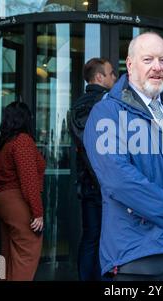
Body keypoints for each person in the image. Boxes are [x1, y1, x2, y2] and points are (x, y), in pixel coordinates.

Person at [83, 32, 163, 281]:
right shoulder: (106, 112)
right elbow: (119, 180)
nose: (157, 67)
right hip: (138, 257)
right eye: (148, 59)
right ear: (130, 65)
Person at [69, 57, 117, 281]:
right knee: (105, 238)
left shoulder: (77, 104)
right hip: (104, 185)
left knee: (90, 237)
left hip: (88, 184)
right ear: (99, 77)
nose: (114, 78)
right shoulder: (105, 103)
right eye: (110, 74)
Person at [0, 101, 46, 281]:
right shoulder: (22, 140)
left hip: (1, 201)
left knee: (7, 255)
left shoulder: (2, 143)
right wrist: (37, 213)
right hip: (16, 201)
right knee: (27, 252)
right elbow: (29, 180)